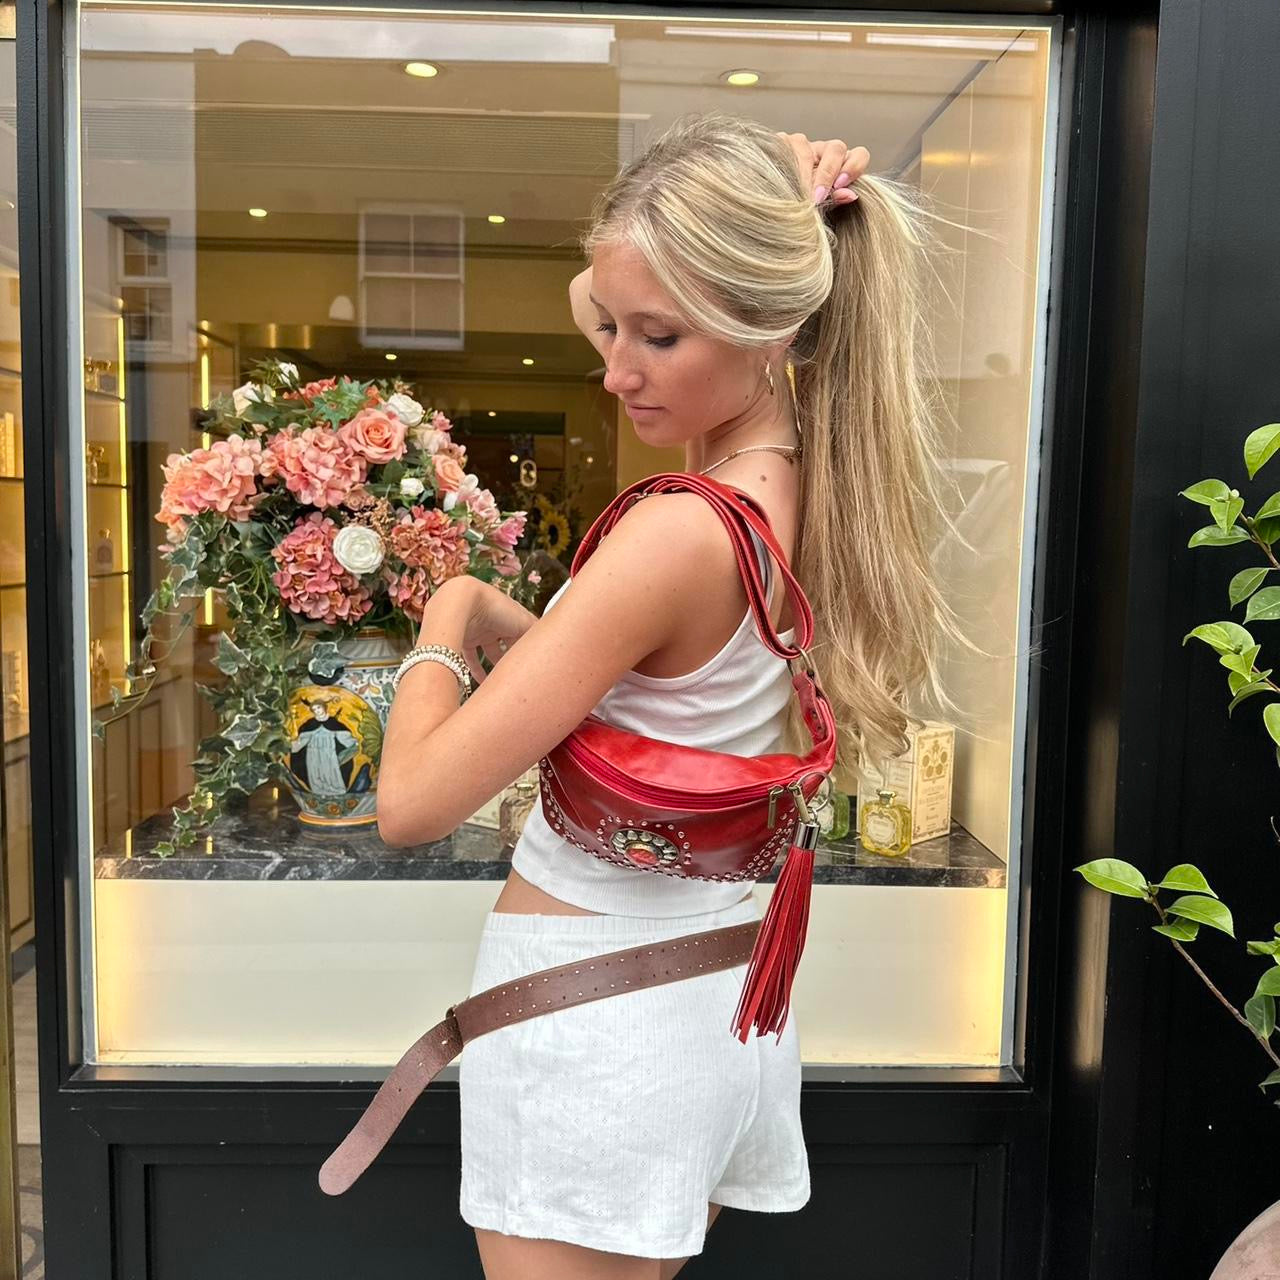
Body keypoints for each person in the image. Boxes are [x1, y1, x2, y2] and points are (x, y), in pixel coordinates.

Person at [376, 111, 968, 1280]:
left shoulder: (677, 533)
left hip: (591, 1025)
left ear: (772, 323)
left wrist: (447, 616)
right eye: (613, 323)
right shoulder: (805, 488)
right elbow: (667, 703)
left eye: (656, 333)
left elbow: (410, 803)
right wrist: (753, 214)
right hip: (698, 1000)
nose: (610, 366)